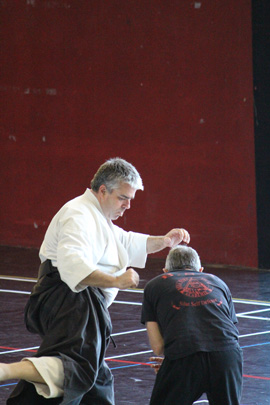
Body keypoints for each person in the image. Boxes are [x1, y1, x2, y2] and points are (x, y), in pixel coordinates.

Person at [0, 157, 190, 405]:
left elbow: (127, 242)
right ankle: (6, 371)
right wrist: (115, 280)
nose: (128, 205)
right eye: (123, 197)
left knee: (96, 380)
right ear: (103, 191)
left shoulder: (99, 218)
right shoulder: (78, 214)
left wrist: (164, 241)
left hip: (79, 303)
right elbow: (72, 266)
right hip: (67, 300)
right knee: (79, 367)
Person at [141, 245, 243, 405]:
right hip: (227, 356)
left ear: (165, 271)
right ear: (200, 270)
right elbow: (227, 330)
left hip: (183, 355)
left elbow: (158, 347)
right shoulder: (218, 282)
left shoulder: (153, 285)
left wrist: (174, 365)